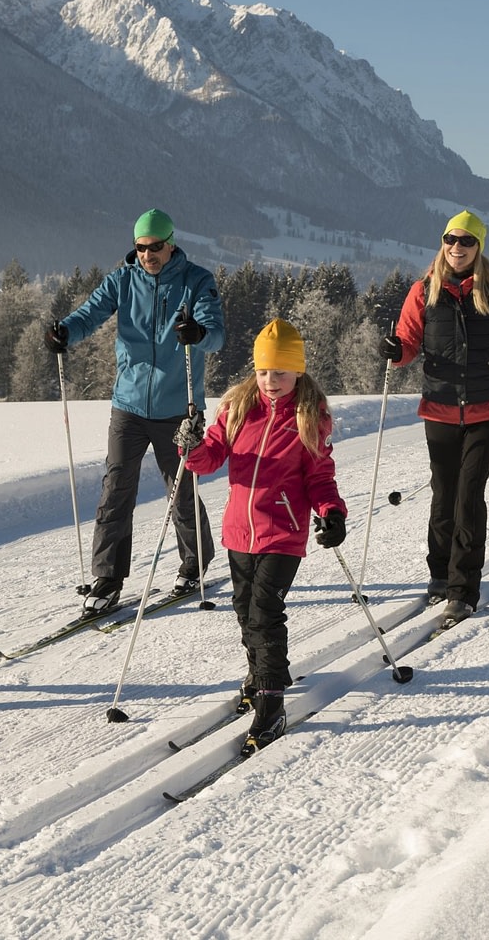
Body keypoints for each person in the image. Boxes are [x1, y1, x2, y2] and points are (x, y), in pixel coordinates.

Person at [179, 318, 347, 754]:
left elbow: (320, 479)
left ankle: (272, 702)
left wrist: (331, 512)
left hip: (282, 531)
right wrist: (191, 445)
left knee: (264, 612)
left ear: (299, 372)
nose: (271, 381)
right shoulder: (237, 409)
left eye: (281, 372)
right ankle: (257, 674)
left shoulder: (308, 417)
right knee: (243, 609)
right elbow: (207, 461)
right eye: (263, 371)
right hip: (239, 530)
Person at [46, 208, 222, 617]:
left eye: (155, 247)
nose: (147, 255)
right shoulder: (123, 280)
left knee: (180, 491)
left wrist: (199, 333)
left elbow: (216, 335)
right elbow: (91, 312)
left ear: (171, 243)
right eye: (140, 248)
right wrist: (67, 331)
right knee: (115, 490)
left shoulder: (197, 282)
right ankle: (107, 578)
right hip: (127, 405)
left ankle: (195, 564)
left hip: (177, 408)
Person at [381, 210, 489, 630]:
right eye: (451, 239)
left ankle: (463, 590)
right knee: (443, 495)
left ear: (479, 247)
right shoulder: (423, 291)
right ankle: (439, 573)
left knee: (469, 497)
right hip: (440, 409)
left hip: (488, 410)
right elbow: (410, 342)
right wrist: (397, 352)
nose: (457, 248)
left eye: (466, 241)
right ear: (443, 242)